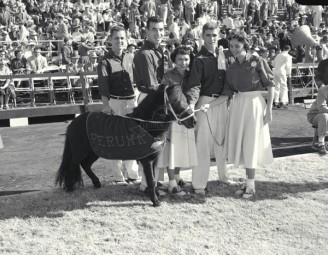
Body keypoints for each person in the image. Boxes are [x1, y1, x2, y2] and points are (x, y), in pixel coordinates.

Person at [184, 22, 239, 195]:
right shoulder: (199, 59)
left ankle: (223, 175)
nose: (212, 38)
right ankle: (199, 184)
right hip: (205, 102)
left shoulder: (223, 55)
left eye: (215, 35)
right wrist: (192, 104)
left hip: (222, 102)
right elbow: (194, 85)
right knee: (203, 144)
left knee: (221, 141)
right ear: (202, 36)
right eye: (208, 35)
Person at [224, 33, 275, 199]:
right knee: (243, 143)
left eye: (237, 46)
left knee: (251, 143)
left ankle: (251, 185)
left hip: (253, 104)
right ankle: (247, 181)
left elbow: (270, 85)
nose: (234, 50)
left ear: (245, 46)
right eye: (231, 46)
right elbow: (228, 90)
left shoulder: (257, 61)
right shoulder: (230, 65)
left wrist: (269, 109)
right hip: (238, 104)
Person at [97, 26, 140, 185]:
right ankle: (118, 177)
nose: (120, 41)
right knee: (116, 140)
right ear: (110, 40)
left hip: (131, 101)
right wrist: (106, 105)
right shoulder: (104, 61)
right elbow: (103, 86)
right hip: (115, 102)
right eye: (116, 38)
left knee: (132, 138)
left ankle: (133, 175)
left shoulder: (131, 57)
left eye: (122, 38)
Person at [157, 45, 197, 194]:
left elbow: (195, 89)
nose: (183, 62)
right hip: (173, 118)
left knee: (180, 148)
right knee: (171, 150)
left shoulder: (192, 74)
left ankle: (178, 176)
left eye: (186, 59)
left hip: (187, 116)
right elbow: (163, 96)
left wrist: (192, 104)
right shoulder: (168, 75)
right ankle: (172, 182)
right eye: (179, 59)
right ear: (174, 60)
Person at [133, 16, 165, 191]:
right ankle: (146, 185)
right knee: (150, 144)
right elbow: (153, 86)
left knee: (155, 143)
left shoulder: (158, 50)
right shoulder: (145, 54)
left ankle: (151, 181)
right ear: (146, 32)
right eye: (154, 29)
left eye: (160, 29)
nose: (158, 33)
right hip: (149, 98)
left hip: (154, 98)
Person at [307, 59, 328, 155]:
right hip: (315, 114)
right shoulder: (324, 63)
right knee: (324, 116)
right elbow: (322, 108)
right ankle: (321, 144)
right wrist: (322, 87)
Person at [272, 44, 292, 109]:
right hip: (282, 71)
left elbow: (273, 64)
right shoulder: (288, 56)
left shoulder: (278, 55)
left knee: (276, 86)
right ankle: (283, 101)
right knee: (283, 86)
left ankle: (276, 101)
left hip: (275, 70)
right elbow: (288, 66)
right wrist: (289, 73)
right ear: (289, 49)